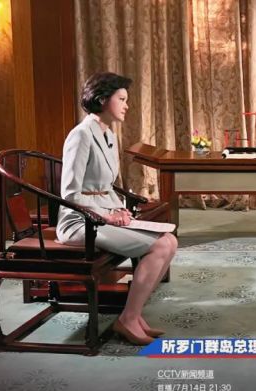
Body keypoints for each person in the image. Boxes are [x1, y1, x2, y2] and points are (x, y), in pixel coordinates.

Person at [57, 72, 178, 346]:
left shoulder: (108, 135)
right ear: (102, 100)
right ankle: (128, 319)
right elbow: (70, 193)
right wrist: (106, 215)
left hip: (101, 218)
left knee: (170, 241)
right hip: (79, 222)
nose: (127, 105)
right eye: (121, 99)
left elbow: (106, 187)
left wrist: (119, 210)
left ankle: (133, 315)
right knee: (160, 246)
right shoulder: (81, 135)